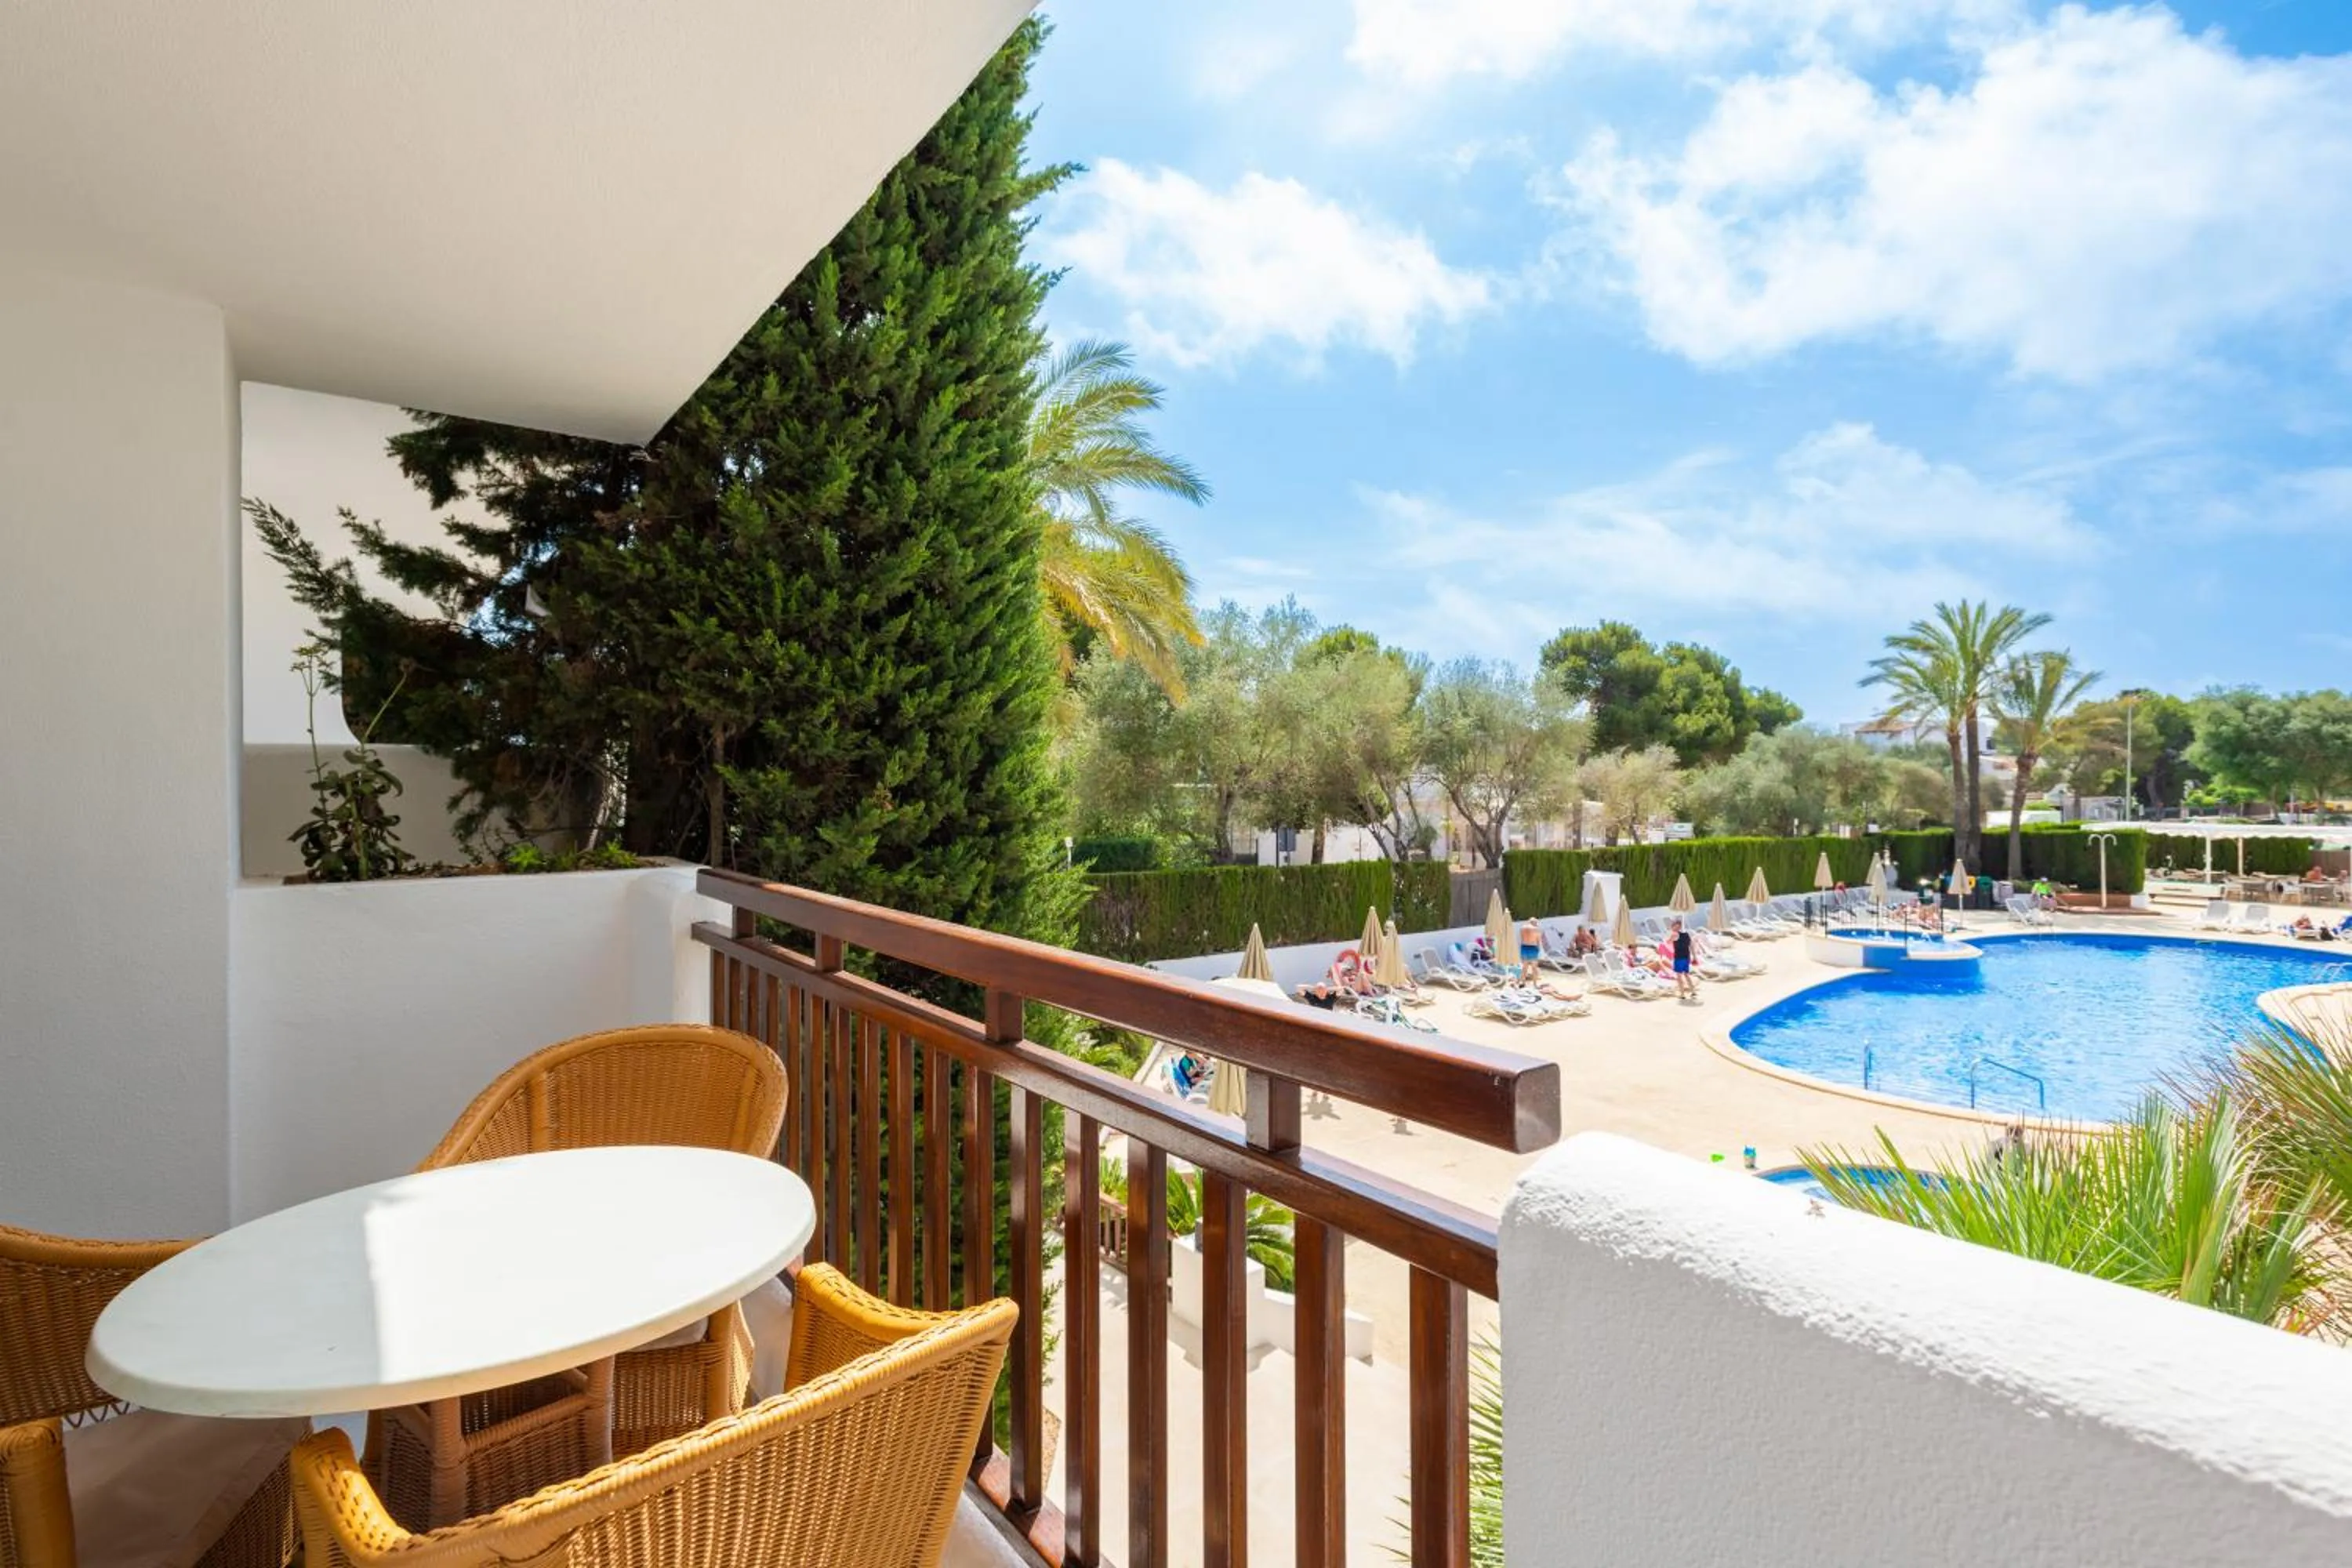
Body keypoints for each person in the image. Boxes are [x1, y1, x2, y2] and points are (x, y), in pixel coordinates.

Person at [1669, 918, 1697, 1002]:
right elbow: (1691, 946)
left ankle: (1682, 994)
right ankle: (1693, 991)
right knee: (1687, 975)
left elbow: (1667, 942)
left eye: (1672, 926)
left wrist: (1671, 937)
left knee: (1679, 977)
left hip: (1679, 958)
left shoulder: (1674, 935)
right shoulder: (1687, 935)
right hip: (1686, 957)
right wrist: (1694, 957)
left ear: (1674, 926)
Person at [1518, 916, 1544, 982]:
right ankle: (1535, 984)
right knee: (1534, 967)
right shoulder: (1536, 929)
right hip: (1532, 947)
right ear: (1534, 922)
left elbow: (1521, 939)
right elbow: (1538, 941)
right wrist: (1539, 950)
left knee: (1524, 967)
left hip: (1524, 947)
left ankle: (1523, 982)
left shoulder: (1522, 928)